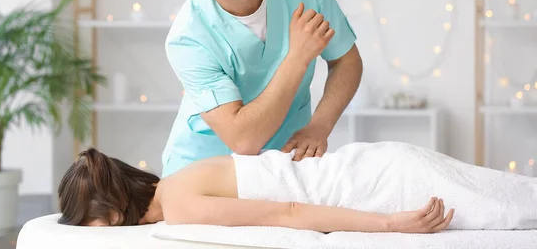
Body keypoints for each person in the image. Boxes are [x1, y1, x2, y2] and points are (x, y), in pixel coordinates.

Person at [162, 0, 363, 177]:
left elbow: (346, 60)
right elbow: (243, 141)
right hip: (205, 170)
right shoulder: (188, 37)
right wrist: (297, 57)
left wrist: (320, 126)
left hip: (286, 159)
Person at [57, 141, 537, 234]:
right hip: (373, 163)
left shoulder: (180, 206)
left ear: (111, 213)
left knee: (512, 210)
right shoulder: (178, 181)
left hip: (373, 183)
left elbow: (288, 212)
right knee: (513, 197)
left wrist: (391, 224)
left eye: (89, 223)